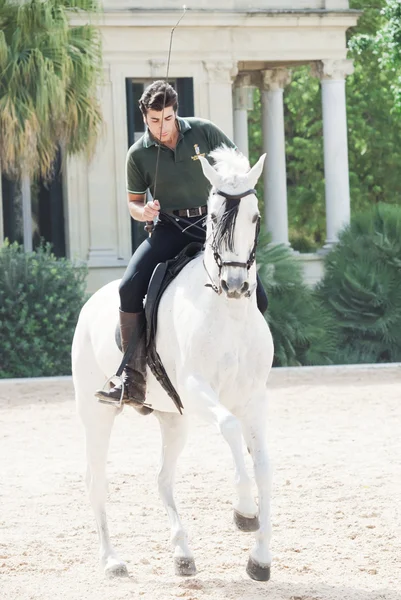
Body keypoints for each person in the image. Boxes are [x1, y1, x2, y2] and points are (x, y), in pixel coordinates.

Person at [95, 80, 268, 406]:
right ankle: (132, 379)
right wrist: (143, 210)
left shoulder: (204, 132)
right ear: (144, 116)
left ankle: (250, 363)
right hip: (169, 228)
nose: (163, 127)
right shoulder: (138, 155)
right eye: (155, 120)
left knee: (260, 293)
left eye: (169, 118)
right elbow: (133, 203)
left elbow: (240, 169)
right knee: (128, 286)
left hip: (212, 228)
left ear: (176, 113)